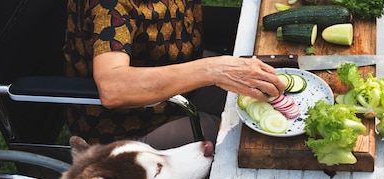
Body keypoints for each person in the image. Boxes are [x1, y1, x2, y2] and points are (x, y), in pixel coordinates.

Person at [64, 0, 285, 149]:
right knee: (239, 135)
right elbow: (113, 87)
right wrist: (214, 70)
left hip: (181, 82)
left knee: (267, 97)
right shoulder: (108, 5)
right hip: (131, 124)